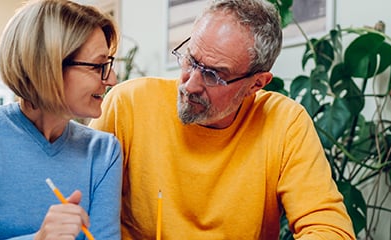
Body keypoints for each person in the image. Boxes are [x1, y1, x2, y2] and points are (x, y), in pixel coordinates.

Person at [89, 0, 356, 239]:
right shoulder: (128, 104)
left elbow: (330, 229)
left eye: (213, 75)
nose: (191, 84)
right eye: (191, 60)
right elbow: (76, 203)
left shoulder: (285, 122)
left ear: (256, 84)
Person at [0, 0, 122, 239]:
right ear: (49, 65)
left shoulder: (104, 152)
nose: (112, 79)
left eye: (109, 65)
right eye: (98, 66)